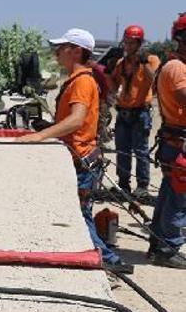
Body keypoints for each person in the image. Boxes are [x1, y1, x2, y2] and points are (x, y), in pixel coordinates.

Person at [16, 28, 132, 273]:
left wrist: (40, 136)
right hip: (83, 158)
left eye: (62, 47)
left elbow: (76, 120)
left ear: (77, 51)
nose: (57, 52)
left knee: (80, 218)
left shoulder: (81, 82)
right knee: (81, 215)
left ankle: (108, 261)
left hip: (81, 161)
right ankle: (107, 259)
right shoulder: (78, 79)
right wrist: (50, 127)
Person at [149, 14, 186, 269]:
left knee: (169, 193)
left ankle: (159, 243)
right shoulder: (177, 68)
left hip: (174, 140)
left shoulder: (175, 66)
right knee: (179, 198)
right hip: (178, 141)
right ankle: (167, 247)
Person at [109, 25, 160, 197]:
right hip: (124, 111)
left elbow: (154, 80)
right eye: (126, 43)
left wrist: (144, 61)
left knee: (141, 151)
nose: (128, 46)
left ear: (139, 44)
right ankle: (124, 184)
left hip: (140, 113)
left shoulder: (151, 60)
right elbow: (113, 86)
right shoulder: (121, 64)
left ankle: (142, 187)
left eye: (132, 43)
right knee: (122, 150)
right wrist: (109, 72)